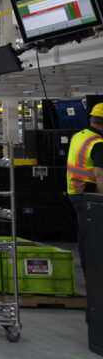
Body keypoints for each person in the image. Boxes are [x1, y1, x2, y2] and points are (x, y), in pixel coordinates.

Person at [67, 103, 103, 274]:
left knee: (85, 234)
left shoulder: (78, 136)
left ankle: (90, 273)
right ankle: (93, 274)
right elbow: (100, 175)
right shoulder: (98, 143)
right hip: (88, 195)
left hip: (75, 190)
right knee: (93, 236)